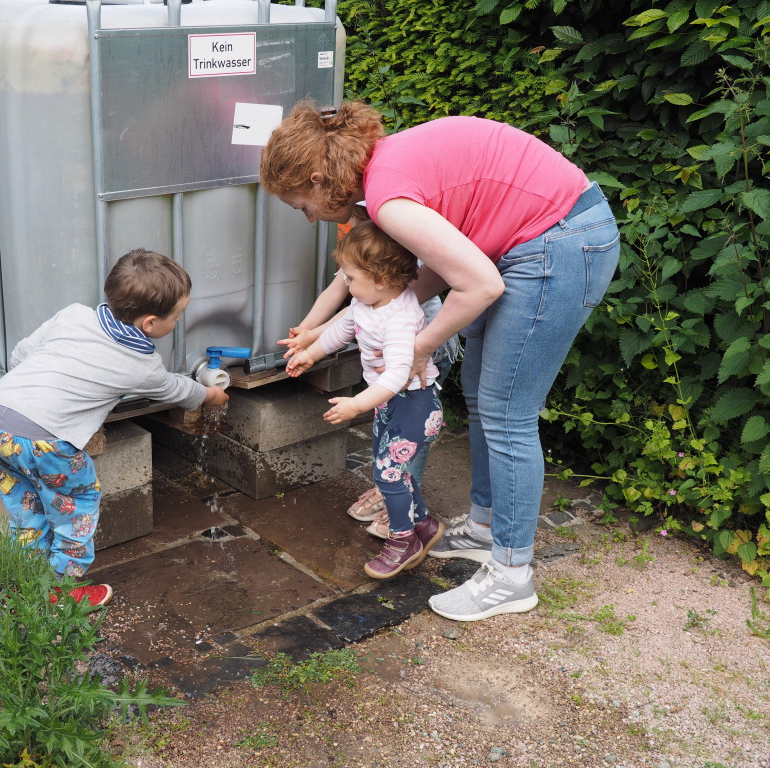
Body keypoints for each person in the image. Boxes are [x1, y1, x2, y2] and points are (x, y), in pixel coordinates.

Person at [261, 101, 620, 621]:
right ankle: (484, 528)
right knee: (480, 396)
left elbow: (479, 285)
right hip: (536, 237)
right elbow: (422, 279)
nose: (311, 217)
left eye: (302, 206)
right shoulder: (384, 170)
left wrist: (419, 347)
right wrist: (337, 326)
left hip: (558, 241)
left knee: (507, 415)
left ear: (317, 179)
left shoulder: (388, 201)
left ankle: (512, 575)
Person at [0, 249, 229, 607]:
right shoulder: (140, 363)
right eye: (176, 317)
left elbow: (19, 355)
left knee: (26, 507)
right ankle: (61, 592)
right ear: (150, 323)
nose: (177, 323)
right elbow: (177, 389)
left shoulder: (74, 315)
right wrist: (210, 394)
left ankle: (24, 580)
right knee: (76, 508)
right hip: (45, 441)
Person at [279, 205, 460, 540]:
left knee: (390, 474)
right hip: (389, 402)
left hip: (414, 404)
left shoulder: (399, 317)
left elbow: (397, 374)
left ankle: (402, 538)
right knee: (387, 468)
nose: (345, 284)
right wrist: (310, 354)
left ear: (380, 279)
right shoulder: (367, 303)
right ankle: (422, 523)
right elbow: (341, 330)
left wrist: (356, 405)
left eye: (350, 278)